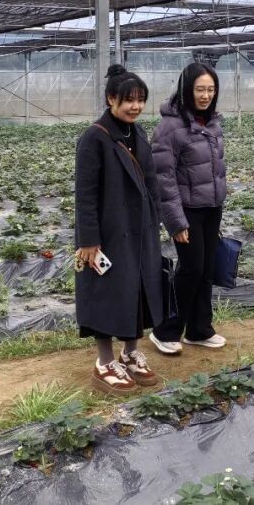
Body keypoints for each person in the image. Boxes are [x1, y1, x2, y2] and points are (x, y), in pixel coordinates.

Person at [74, 64, 164, 394]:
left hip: (139, 229)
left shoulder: (137, 133)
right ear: (111, 99)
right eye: (129, 100)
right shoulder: (94, 138)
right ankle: (104, 362)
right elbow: (85, 195)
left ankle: (130, 353)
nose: (135, 106)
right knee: (107, 293)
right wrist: (89, 240)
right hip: (108, 233)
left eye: (140, 100)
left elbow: (151, 182)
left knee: (136, 290)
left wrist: (155, 219)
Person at [149, 62, 228, 355]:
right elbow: (163, 177)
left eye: (210, 90)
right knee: (191, 269)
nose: (205, 95)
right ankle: (165, 330)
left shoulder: (213, 122)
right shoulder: (170, 127)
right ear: (186, 90)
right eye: (199, 90)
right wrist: (175, 221)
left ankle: (199, 329)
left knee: (206, 269)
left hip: (211, 207)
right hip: (187, 210)